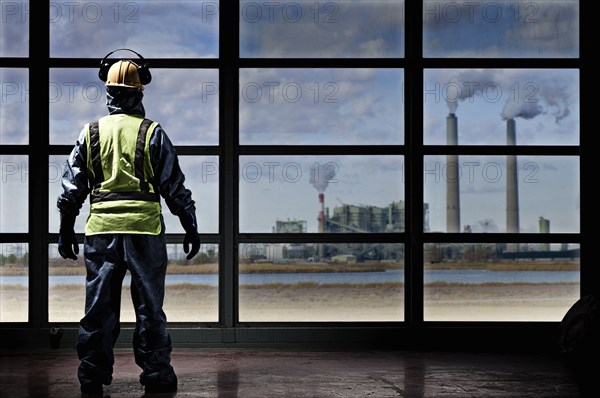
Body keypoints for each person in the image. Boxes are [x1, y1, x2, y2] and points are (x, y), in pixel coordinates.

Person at [56, 49, 200, 395]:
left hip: (101, 233)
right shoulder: (153, 133)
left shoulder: (89, 132)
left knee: (98, 310)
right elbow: (173, 186)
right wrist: (190, 222)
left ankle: (91, 376)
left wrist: (65, 229)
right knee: (150, 308)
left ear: (109, 92)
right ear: (139, 92)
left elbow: (71, 188)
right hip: (144, 232)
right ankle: (157, 375)